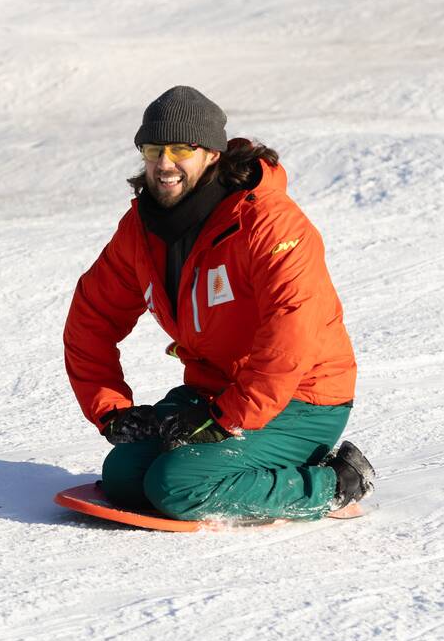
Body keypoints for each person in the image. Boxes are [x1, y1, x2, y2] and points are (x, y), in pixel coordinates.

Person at [63, 86, 376, 522]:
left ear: (212, 153)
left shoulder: (267, 223)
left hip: (301, 398)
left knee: (177, 486)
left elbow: (291, 333)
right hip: (213, 392)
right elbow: (92, 318)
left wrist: (227, 418)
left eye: (180, 149)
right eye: (153, 150)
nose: (164, 163)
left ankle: (334, 483)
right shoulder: (141, 228)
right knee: (124, 476)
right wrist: (110, 411)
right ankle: (249, 465)